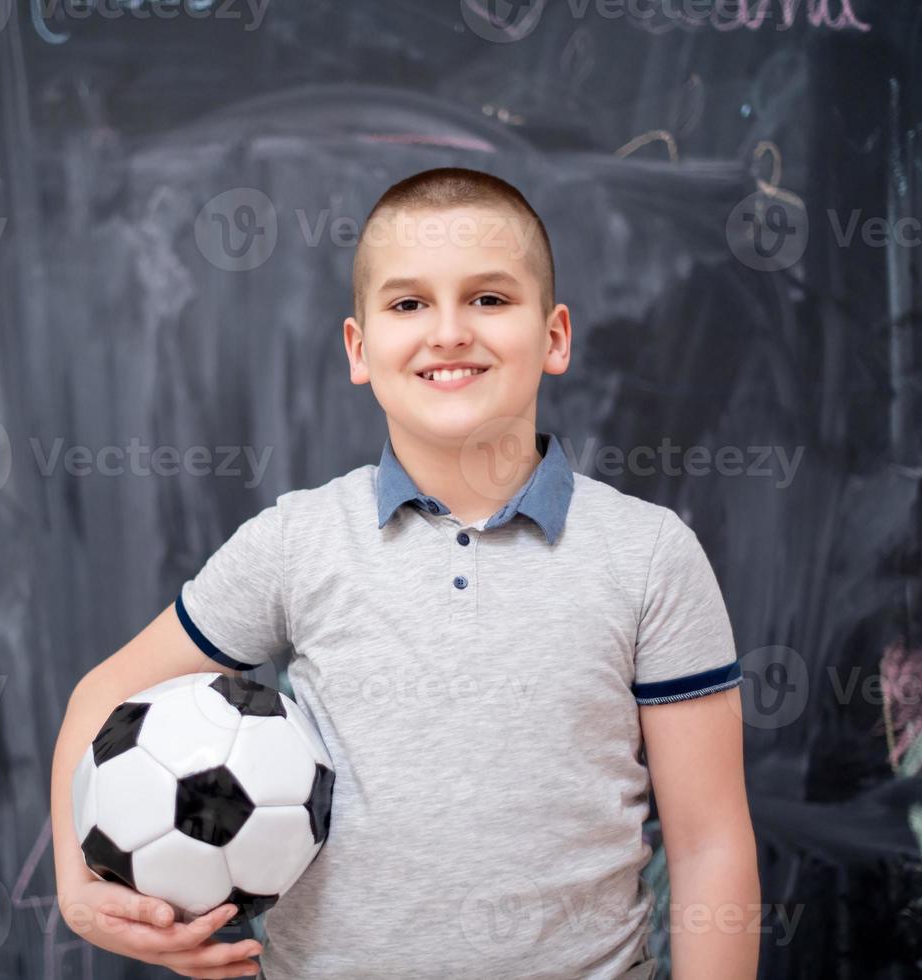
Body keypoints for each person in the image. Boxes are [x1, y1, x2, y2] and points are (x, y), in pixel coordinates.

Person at [50, 167, 760, 979]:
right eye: (408, 304)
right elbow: (97, 700)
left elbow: (709, 846)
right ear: (359, 348)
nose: (450, 332)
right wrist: (79, 895)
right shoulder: (295, 543)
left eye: (489, 299)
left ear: (555, 335)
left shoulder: (649, 556)